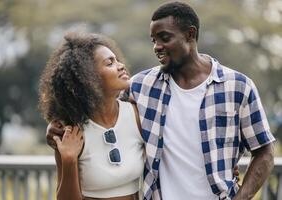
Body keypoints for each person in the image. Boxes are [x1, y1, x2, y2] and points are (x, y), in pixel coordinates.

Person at [46, 2, 274, 200]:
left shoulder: (238, 87)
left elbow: (264, 152)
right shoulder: (140, 86)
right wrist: (56, 125)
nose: (157, 47)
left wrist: (241, 197)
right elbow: (95, 103)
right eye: (153, 40)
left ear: (190, 34)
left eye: (164, 38)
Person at [39, 32, 144, 200]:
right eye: (110, 63)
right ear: (89, 78)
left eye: (117, 59)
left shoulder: (137, 115)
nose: (121, 65)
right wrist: (69, 159)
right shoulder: (70, 131)